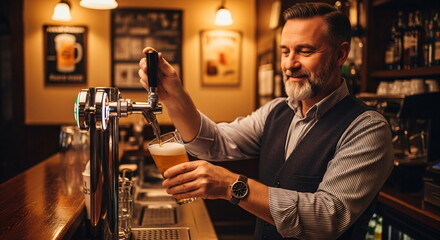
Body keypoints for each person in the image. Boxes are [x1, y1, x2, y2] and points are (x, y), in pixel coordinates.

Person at [138, 2, 393, 239]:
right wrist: (173, 96)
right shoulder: (276, 111)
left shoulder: (367, 128)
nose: (290, 64)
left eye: (304, 51)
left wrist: (231, 185)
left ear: (340, 55)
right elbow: (214, 142)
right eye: (285, 51)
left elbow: (328, 216)